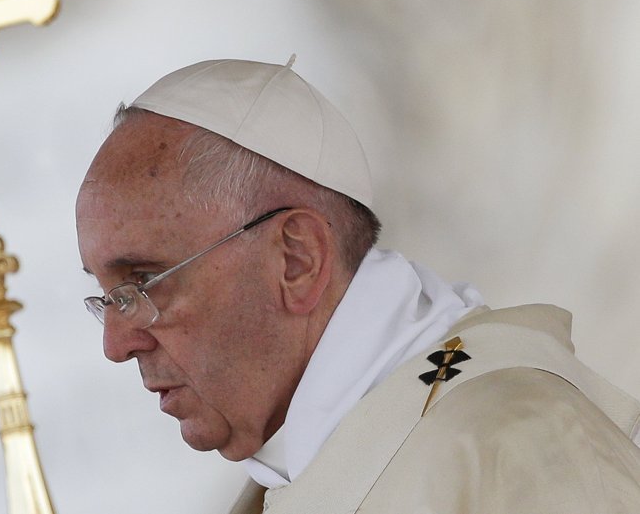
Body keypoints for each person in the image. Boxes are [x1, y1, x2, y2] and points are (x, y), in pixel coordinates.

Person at [75, 56, 640, 513]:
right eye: (107, 300)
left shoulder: (514, 443)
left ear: (296, 259)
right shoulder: (288, 482)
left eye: (142, 284)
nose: (117, 345)